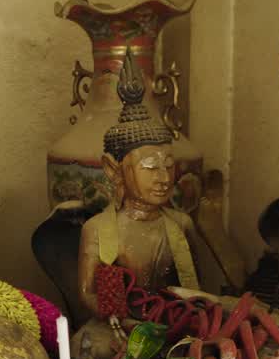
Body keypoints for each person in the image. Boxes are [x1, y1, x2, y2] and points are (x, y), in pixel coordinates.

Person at [78, 50, 199, 320]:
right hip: (120, 326)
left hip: (173, 322)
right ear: (114, 170)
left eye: (169, 165)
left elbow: (196, 291)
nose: (164, 178)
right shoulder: (96, 229)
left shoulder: (181, 225)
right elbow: (88, 293)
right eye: (151, 167)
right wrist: (120, 320)